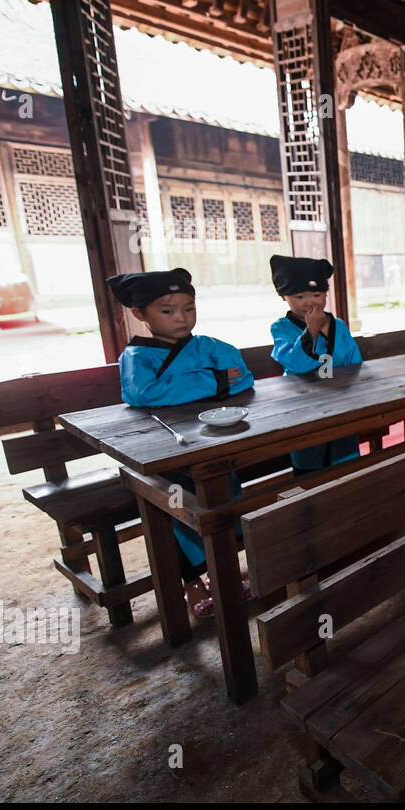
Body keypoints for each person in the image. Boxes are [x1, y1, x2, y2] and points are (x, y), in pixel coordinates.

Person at [106, 268, 254, 618]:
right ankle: (191, 581)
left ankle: (224, 570)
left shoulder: (209, 346)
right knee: (173, 504)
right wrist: (214, 381)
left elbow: (243, 378)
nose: (182, 318)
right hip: (161, 450)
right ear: (139, 314)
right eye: (168, 310)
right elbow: (143, 394)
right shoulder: (137, 357)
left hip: (210, 443)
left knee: (222, 493)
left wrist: (190, 384)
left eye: (189, 308)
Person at [269, 255, 362, 473]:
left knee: (345, 458)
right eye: (300, 296)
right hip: (303, 408)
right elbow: (295, 363)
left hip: (341, 403)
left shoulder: (338, 325)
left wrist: (331, 335)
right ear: (284, 297)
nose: (310, 302)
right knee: (309, 462)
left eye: (317, 295)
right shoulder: (280, 328)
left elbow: (355, 364)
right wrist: (311, 330)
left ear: (326, 295)